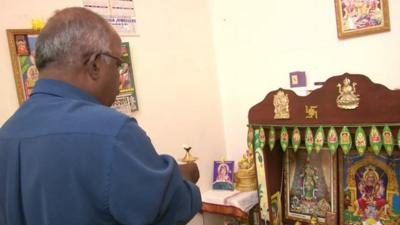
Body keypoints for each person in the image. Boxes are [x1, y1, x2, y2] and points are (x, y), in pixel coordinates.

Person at [0, 7, 201, 225]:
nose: (120, 75)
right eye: (118, 64)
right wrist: (184, 177)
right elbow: (171, 208)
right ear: (95, 65)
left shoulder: (7, 133)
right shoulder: (112, 132)